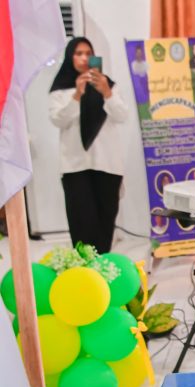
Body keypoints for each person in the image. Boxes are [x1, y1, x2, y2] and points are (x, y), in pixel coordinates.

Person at [49, 37, 129, 254]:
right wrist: (77, 94)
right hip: (75, 166)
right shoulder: (61, 89)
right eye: (78, 53)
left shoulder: (108, 85)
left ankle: (102, 268)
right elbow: (58, 120)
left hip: (107, 164)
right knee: (81, 222)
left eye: (88, 53)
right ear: (70, 57)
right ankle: (82, 268)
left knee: (105, 222)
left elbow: (122, 115)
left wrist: (106, 92)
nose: (84, 58)